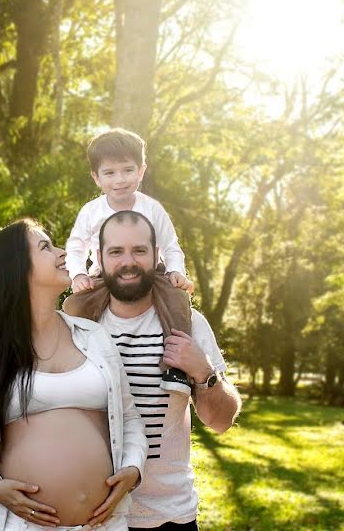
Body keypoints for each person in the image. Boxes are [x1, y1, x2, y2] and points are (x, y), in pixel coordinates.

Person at [0, 219, 148, 531]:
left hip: (102, 526)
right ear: (15, 270)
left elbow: (130, 418)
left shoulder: (94, 337)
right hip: (15, 525)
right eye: (45, 247)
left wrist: (133, 469)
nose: (62, 252)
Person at [75, 210, 242, 531]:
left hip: (169, 516)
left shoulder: (188, 324)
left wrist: (204, 373)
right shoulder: (77, 329)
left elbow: (221, 422)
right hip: (94, 517)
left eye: (139, 250)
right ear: (99, 257)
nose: (128, 261)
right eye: (116, 251)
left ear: (156, 254)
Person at [64, 128, 194, 395]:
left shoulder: (152, 209)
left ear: (141, 171)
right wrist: (78, 274)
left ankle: (176, 368)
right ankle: (78, 367)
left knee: (178, 299)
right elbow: (75, 246)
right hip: (104, 276)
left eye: (127, 170)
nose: (119, 180)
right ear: (96, 178)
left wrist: (176, 271)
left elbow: (171, 245)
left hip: (151, 274)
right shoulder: (92, 212)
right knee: (73, 305)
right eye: (109, 173)